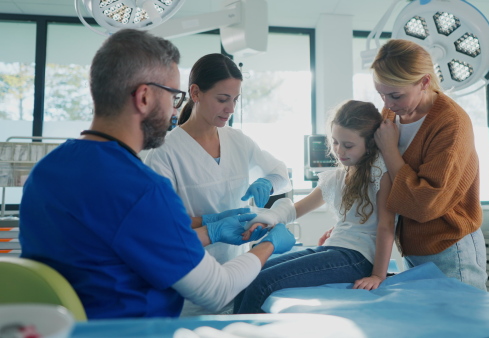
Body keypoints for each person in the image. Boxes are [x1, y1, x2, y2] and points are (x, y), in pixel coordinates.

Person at [18, 29, 296, 319]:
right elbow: (217, 291)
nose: (175, 111)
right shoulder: (139, 188)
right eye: (174, 97)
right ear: (144, 97)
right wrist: (269, 244)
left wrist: (211, 229)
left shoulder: (45, 172)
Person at [144, 53, 292, 315]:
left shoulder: (238, 140)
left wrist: (267, 183)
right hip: (190, 283)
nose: (231, 109)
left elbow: (281, 173)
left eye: (235, 100)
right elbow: (160, 227)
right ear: (196, 93)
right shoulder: (165, 152)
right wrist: (212, 224)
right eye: (223, 99)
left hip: (241, 272)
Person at [234, 100, 397, 314]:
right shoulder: (338, 176)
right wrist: (261, 219)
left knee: (262, 282)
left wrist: (378, 275)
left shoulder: (379, 174)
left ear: (370, 145)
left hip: (358, 258)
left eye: (348, 145)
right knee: (248, 272)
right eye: (335, 142)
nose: (339, 151)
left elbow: (387, 226)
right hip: (334, 249)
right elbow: (296, 209)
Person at [368, 38, 487, 290]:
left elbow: (425, 204)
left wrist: (390, 149)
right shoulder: (393, 112)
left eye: (395, 95)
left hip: (449, 247)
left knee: (460, 326)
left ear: (424, 82)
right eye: (381, 94)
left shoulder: (451, 123)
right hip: (411, 246)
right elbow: (381, 179)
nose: (387, 103)